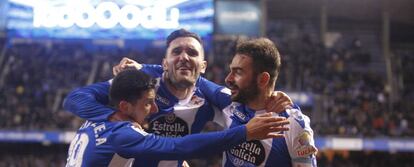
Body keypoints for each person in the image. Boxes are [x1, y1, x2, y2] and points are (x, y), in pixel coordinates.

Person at [63, 29, 292, 166]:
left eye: (192, 53)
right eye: (176, 52)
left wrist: (277, 99)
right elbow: (75, 98)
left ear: (203, 66)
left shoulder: (208, 94)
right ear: (164, 63)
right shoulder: (142, 81)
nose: (184, 57)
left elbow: (250, 99)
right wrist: (114, 117)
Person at [65, 69, 290, 167]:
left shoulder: (94, 115)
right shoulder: (122, 133)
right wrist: (245, 132)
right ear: (124, 105)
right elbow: (178, 146)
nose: (153, 110)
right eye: (146, 103)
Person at [203, 38, 318, 167]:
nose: (228, 79)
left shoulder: (293, 124)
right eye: (231, 71)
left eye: (238, 72)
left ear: (263, 79)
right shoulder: (229, 102)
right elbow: (197, 81)